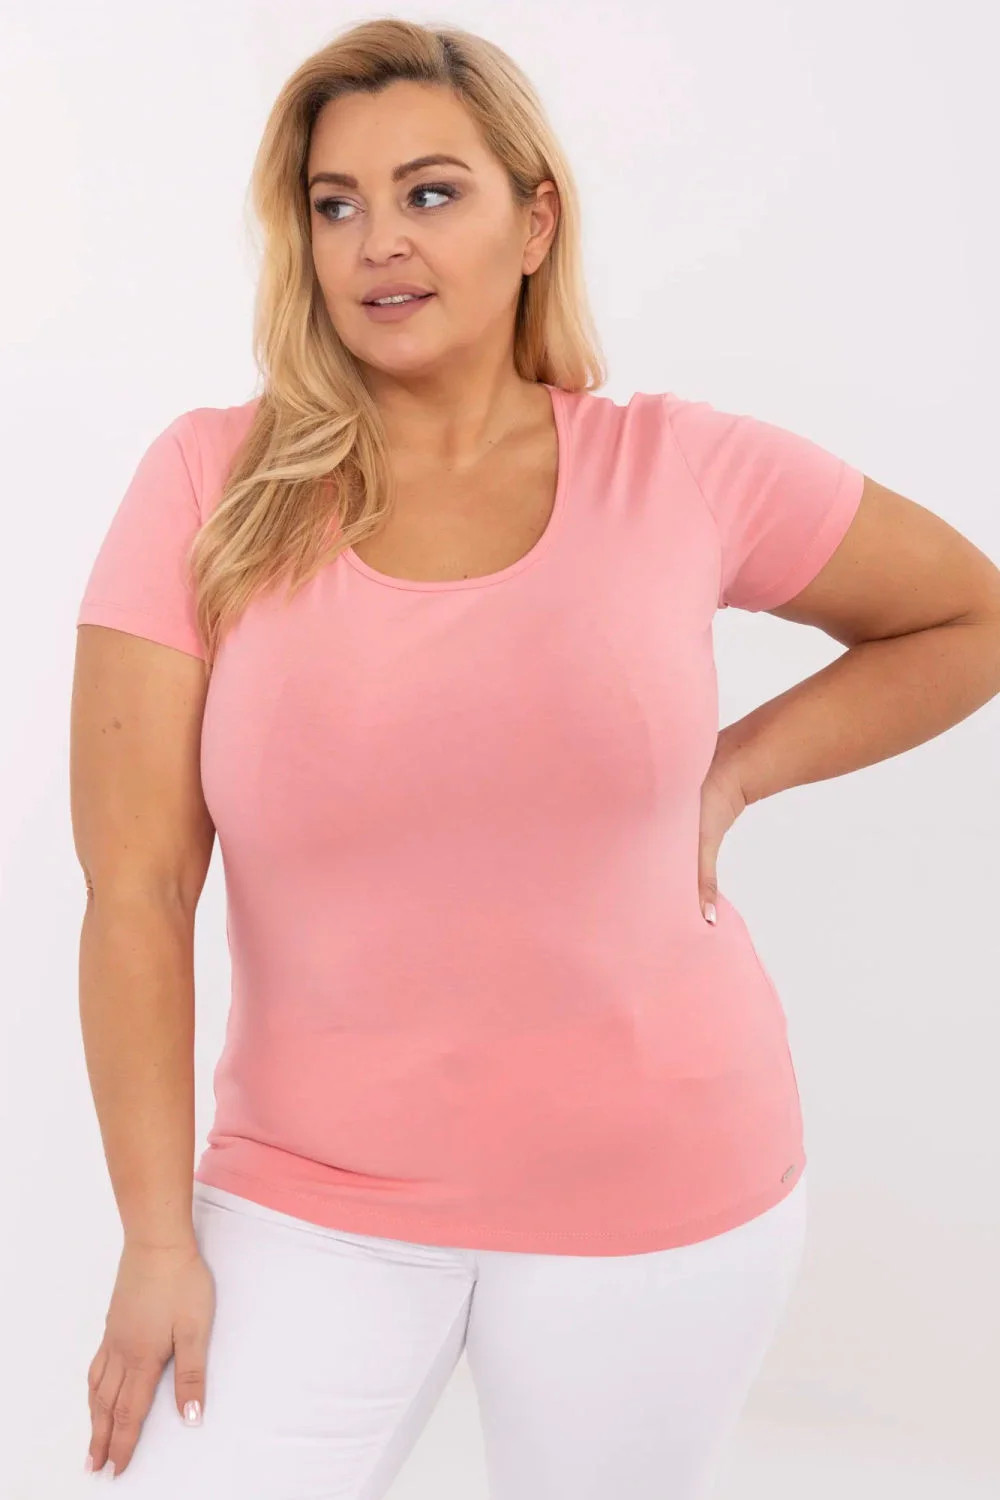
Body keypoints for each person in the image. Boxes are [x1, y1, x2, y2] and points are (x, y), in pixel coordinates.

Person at [69, 17, 1000, 1499]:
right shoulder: (209, 482)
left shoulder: (678, 464)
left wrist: (739, 769)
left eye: (431, 193)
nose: (379, 241)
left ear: (534, 221)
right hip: (309, 1197)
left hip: (660, 1193)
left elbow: (966, 616)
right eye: (335, 203)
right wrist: (154, 1240)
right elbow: (136, 891)